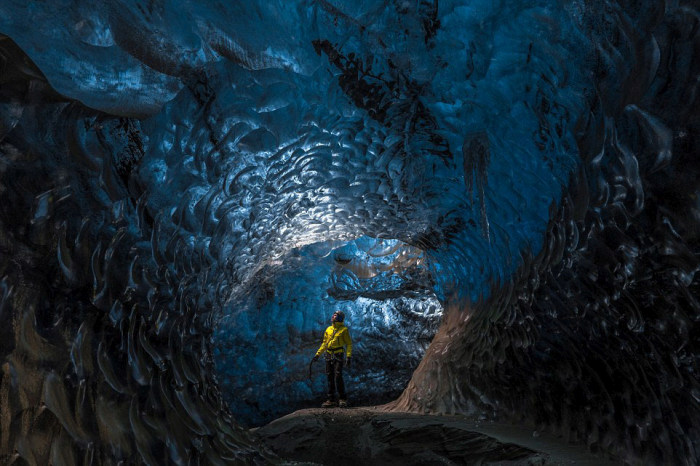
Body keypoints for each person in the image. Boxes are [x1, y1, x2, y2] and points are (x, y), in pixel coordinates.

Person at [312, 310, 353, 407]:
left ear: (339, 318)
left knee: (338, 376)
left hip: (338, 355)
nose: (333, 317)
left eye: (335, 315)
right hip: (329, 354)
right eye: (333, 315)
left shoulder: (344, 330)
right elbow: (324, 343)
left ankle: (343, 399)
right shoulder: (328, 329)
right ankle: (331, 400)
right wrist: (317, 354)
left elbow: (349, 344)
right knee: (329, 377)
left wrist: (348, 356)